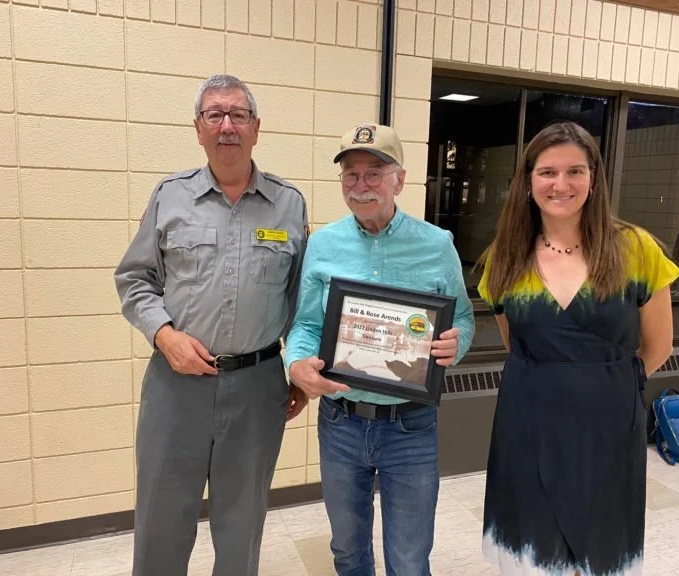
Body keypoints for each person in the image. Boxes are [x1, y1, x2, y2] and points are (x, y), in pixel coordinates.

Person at [114, 74, 309, 576]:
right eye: (214, 115)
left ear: (256, 128)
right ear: (197, 128)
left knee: (242, 522)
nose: (227, 126)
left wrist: (301, 370)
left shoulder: (290, 204)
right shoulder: (170, 196)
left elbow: (301, 299)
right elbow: (134, 280)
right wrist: (164, 334)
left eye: (238, 115)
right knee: (161, 517)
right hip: (175, 384)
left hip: (258, 385)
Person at [477, 121, 679, 576]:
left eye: (575, 171)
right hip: (527, 419)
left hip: (608, 424)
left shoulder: (637, 250)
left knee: (599, 548)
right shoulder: (504, 257)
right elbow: (517, 342)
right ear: (528, 181)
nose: (561, 184)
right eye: (547, 172)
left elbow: (659, 346)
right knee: (534, 550)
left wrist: (600, 381)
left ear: (594, 178)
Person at [285, 123, 475, 575]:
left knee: (409, 560)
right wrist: (296, 363)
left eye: (374, 173)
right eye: (351, 175)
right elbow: (307, 323)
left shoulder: (436, 244)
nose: (361, 185)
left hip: (410, 426)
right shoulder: (323, 244)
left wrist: (456, 344)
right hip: (341, 422)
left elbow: (463, 319)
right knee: (348, 552)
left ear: (400, 180)